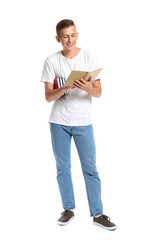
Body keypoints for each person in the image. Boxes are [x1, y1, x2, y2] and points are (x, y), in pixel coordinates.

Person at [41, 19, 116, 231]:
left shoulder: (89, 56)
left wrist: (86, 86)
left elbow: (98, 92)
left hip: (84, 122)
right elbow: (48, 97)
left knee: (90, 168)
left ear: (77, 35)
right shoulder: (51, 61)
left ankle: (98, 214)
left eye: (73, 35)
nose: (69, 40)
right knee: (63, 168)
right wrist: (64, 87)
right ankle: (68, 210)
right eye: (65, 36)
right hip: (59, 123)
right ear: (58, 38)